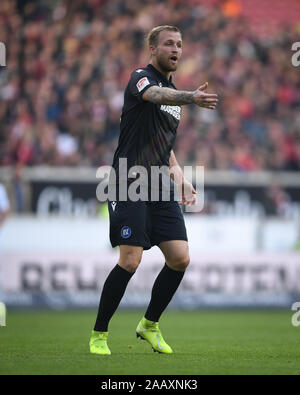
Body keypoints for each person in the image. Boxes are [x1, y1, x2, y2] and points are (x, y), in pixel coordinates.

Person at [89, 25, 218, 355]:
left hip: (160, 183)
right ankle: (99, 334)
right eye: (169, 44)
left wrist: (181, 178)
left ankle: (149, 324)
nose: (176, 49)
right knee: (130, 260)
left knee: (180, 258)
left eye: (180, 44)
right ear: (153, 49)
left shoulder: (173, 100)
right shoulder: (140, 77)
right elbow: (154, 95)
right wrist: (191, 97)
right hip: (129, 179)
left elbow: (165, 146)